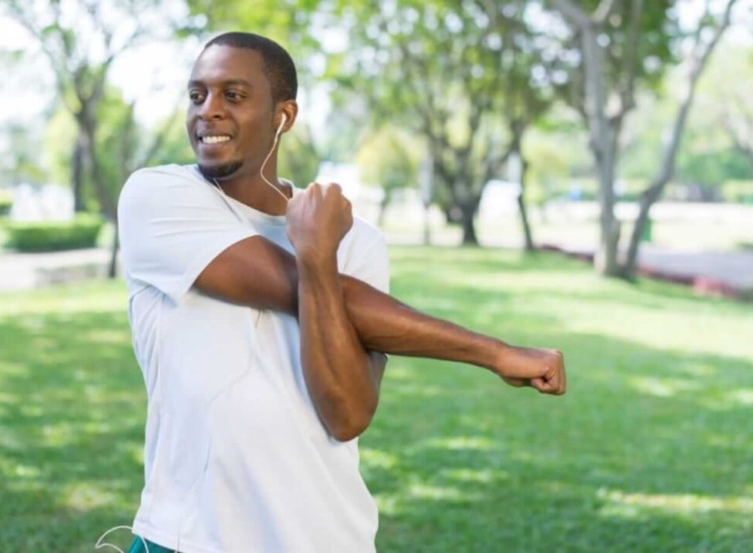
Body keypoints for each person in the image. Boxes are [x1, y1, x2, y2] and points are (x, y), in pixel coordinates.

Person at [114, 31, 566, 553]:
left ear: (284, 115)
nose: (208, 111)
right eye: (198, 95)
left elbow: (346, 414)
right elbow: (285, 284)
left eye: (233, 95)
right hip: (187, 537)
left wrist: (319, 252)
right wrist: (494, 353)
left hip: (326, 538)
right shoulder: (157, 197)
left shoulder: (355, 238)